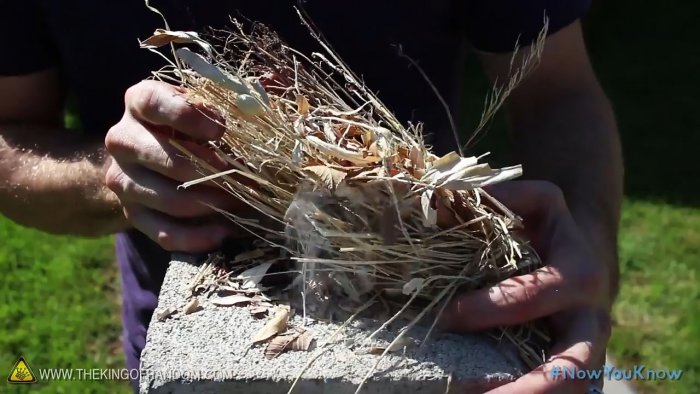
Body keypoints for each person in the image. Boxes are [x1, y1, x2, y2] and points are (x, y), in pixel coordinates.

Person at [0, 1, 622, 393]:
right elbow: (11, 135)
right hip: (198, 342)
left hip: (442, 306)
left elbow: (557, 91)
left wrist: (583, 256)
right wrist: (115, 178)